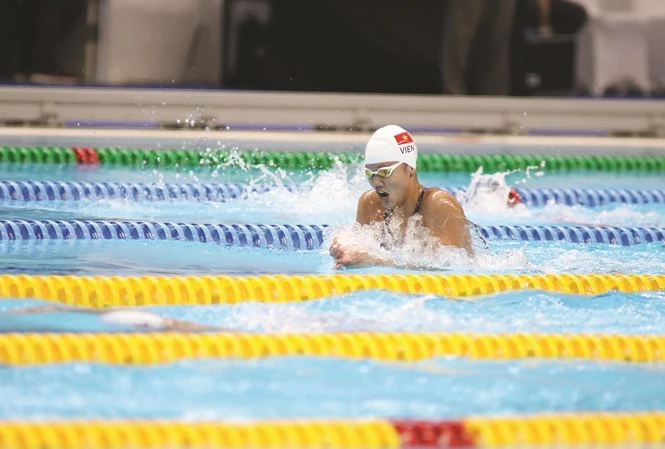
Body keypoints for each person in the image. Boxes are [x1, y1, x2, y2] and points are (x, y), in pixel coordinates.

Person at [329, 125, 475, 270]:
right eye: (370, 173)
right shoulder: (370, 204)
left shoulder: (439, 205)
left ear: (410, 167)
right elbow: (362, 257)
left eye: (384, 172)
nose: (375, 182)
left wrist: (376, 261)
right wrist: (345, 251)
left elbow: (448, 272)